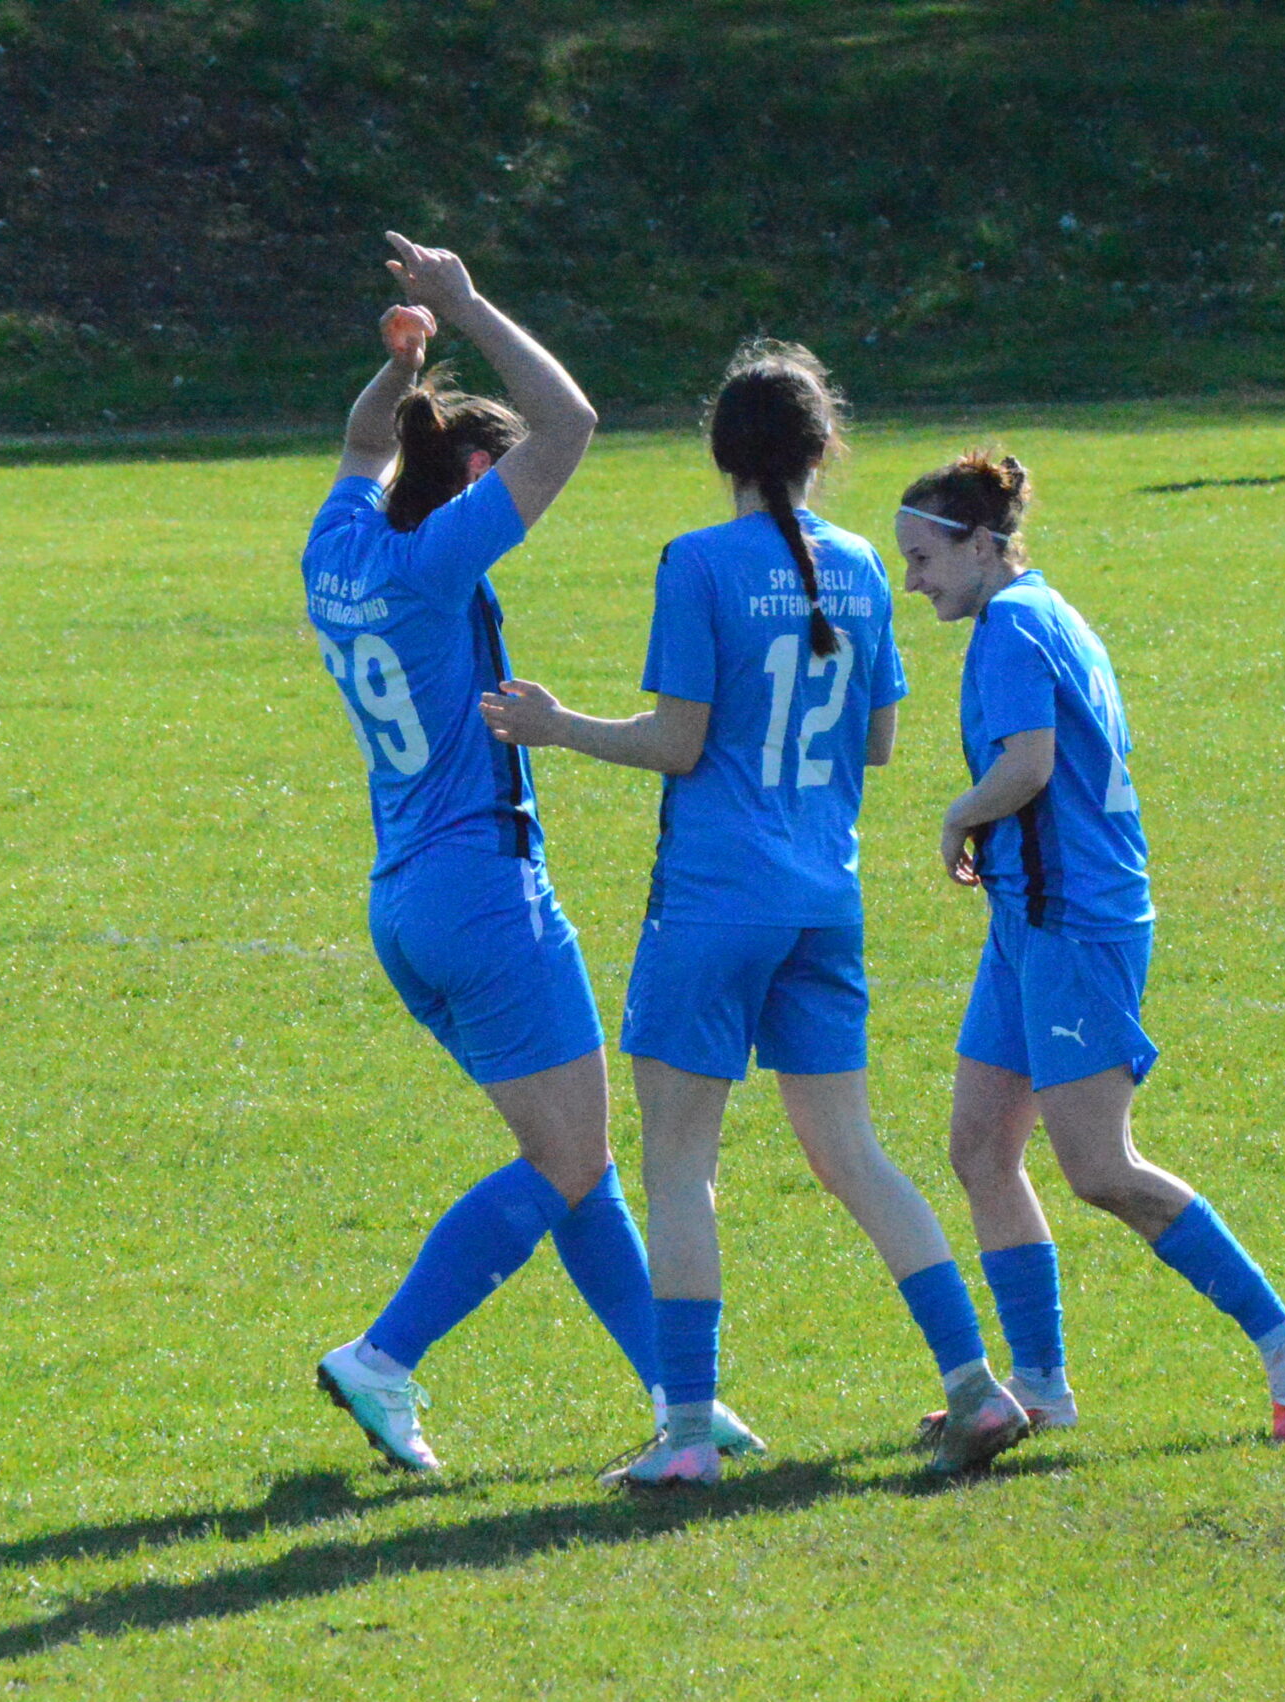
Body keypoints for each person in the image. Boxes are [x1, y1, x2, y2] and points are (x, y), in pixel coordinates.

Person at [480, 342, 1029, 1486]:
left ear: (720, 452)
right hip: (823, 898)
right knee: (853, 1153)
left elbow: (677, 742)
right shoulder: (866, 566)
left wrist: (556, 725)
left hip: (713, 901)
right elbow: (876, 741)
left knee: (680, 1163)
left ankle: (686, 1432)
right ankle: (976, 1382)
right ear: (824, 451)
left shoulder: (698, 562)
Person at [303, 236, 762, 1472]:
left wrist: (401, 366)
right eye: (495, 482)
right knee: (566, 1160)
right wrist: (464, 308)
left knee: (575, 1162)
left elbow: (362, 443)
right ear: (467, 476)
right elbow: (570, 422)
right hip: (486, 894)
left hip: (407, 901)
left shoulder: (336, 547)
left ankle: (680, 1396)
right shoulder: (434, 560)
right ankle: (384, 1355)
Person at [893, 450, 1285, 1445]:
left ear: (980, 545)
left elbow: (1029, 765)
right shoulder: (1045, 609)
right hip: (1029, 920)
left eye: (923, 559)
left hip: (1075, 923)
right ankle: (1039, 1385)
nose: (912, 582)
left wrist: (958, 814)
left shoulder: (1012, 627)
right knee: (980, 1150)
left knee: (1098, 1166)